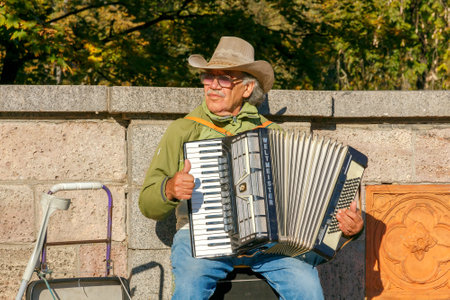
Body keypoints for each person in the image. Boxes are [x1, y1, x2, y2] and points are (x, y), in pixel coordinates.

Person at [139, 36, 363, 300]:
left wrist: (350, 229)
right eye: (208, 78)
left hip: (269, 246)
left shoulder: (274, 134)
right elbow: (147, 203)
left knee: (308, 290)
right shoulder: (184, 129)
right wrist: (170, 189)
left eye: (224, 79)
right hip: (201, 239)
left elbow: (309, 204)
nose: (212, 86)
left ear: (246, 89)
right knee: (190, 287)